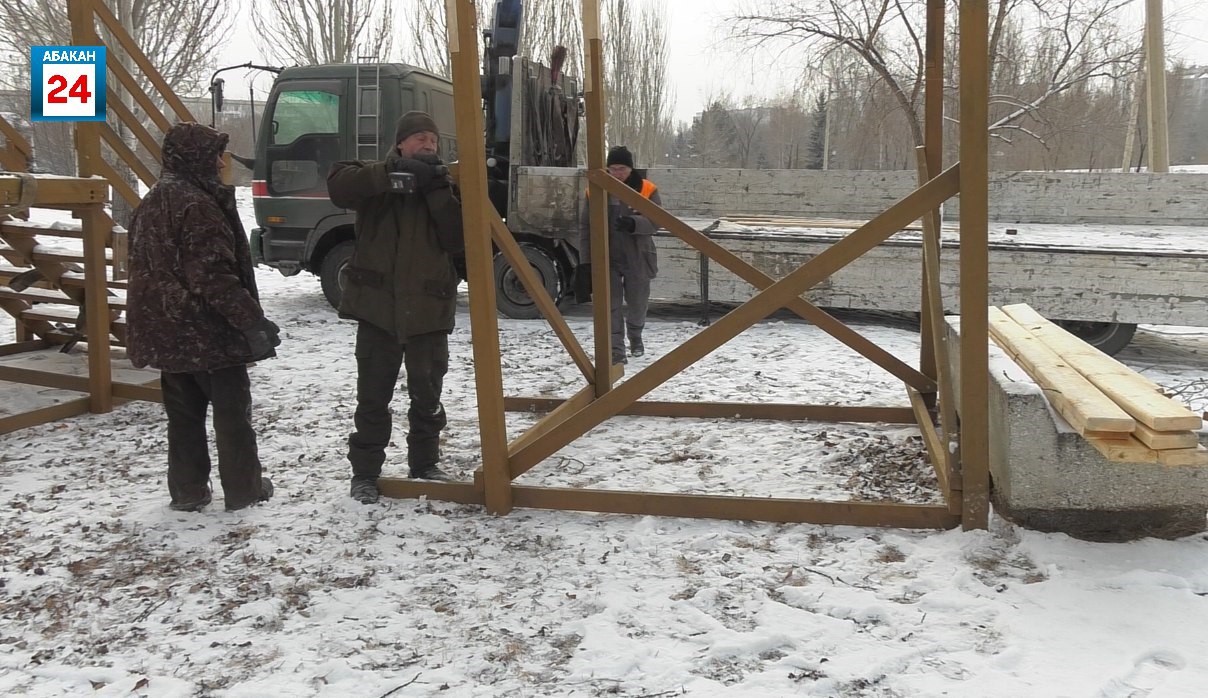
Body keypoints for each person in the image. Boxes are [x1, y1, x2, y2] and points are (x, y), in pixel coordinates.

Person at [126, 122, 279, 512]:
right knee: (232, 417)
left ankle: (189, 491)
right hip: (208, 335)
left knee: (183, 418)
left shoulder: (154, 200)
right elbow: (212, 277)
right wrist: (251, 321)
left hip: (166, 333)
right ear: (198, 158)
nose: (221, 161)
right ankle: (244, 489)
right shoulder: (197, 205)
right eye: (215, 153)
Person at [327, 111, 467, 505]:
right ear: (401, 143)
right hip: (378, 313)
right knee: (372, 398)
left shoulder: (446, 186)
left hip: (428, 312)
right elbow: (339, 185)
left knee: (427, 396)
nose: (428, 145)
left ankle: (424, 464)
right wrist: (391, 173)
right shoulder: (377, 180)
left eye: (434, 141)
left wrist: (437, 189)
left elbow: (459, 239)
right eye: (420, 138)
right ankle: (365, 474)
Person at [575, 145, 661, 365]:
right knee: (610, 305)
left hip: (639, 256)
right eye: (612, 169)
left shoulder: (647, 189)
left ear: (630, 168)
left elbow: (656, 221)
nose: (617, 174)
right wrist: (586, 262)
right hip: (608, 257)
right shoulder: (594, 191)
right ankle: (616, 350)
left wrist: (633, 223)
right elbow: (586, 227)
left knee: (637, 303)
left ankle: (636, 335)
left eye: (621, 168)